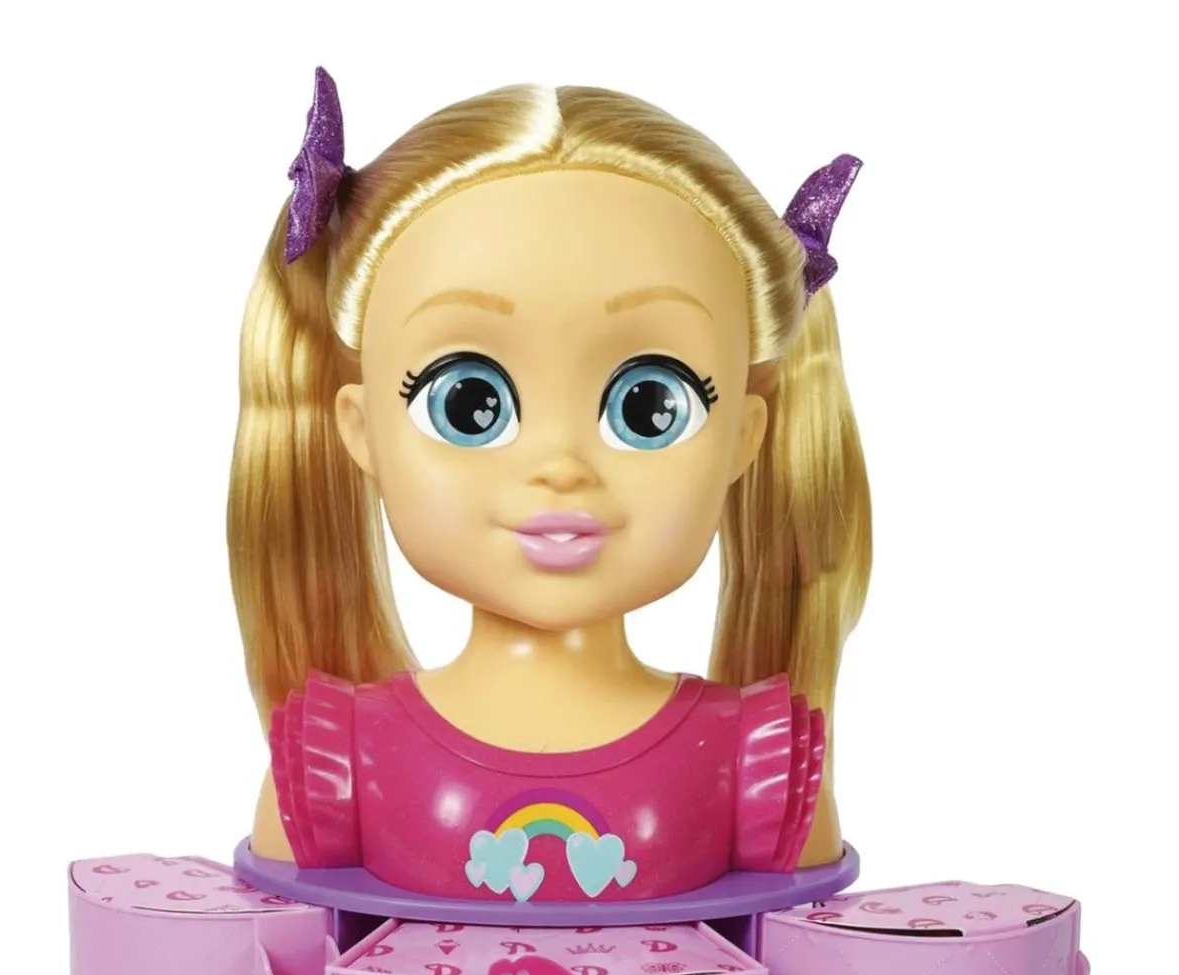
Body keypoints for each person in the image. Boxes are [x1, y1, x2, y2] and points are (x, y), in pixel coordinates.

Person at [230, 70, 871, 903]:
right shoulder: (333, 771)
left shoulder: (760, 775)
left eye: (649, 404)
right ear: (362, 429)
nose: (561, 463)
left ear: (743, 440)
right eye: (469, 402)